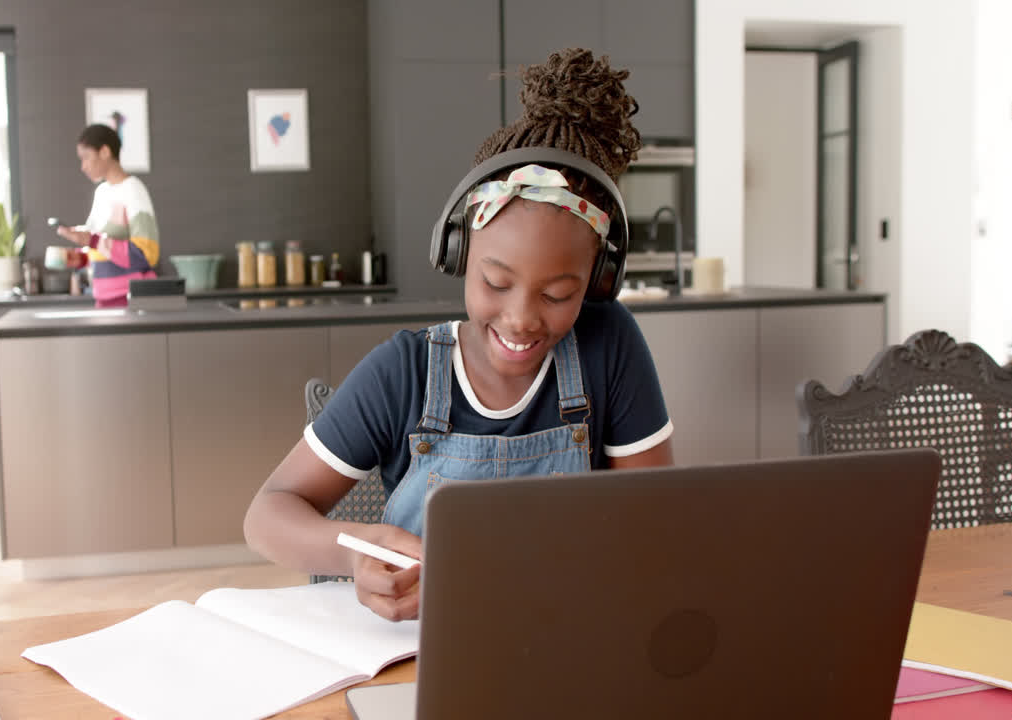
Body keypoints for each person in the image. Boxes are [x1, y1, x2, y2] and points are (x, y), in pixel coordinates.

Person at [243, 48, 675, 622]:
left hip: (568, 636)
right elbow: (267, 514)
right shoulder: (403, 371)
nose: (522, 319)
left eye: (557, 296)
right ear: (458, 253)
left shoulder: (607, 344)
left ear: (598, 282)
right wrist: (355, 553)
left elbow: (659, 523)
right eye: (496, 282)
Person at [55, 124, 166, 307]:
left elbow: (147, 254)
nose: (83, 167)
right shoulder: (102, 193)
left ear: (105, 151)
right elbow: (100, 247)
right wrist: (80, 257)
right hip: (104, 299)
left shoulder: (133, 190)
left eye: (86, 157)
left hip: (132, 301)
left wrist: (91, 241)